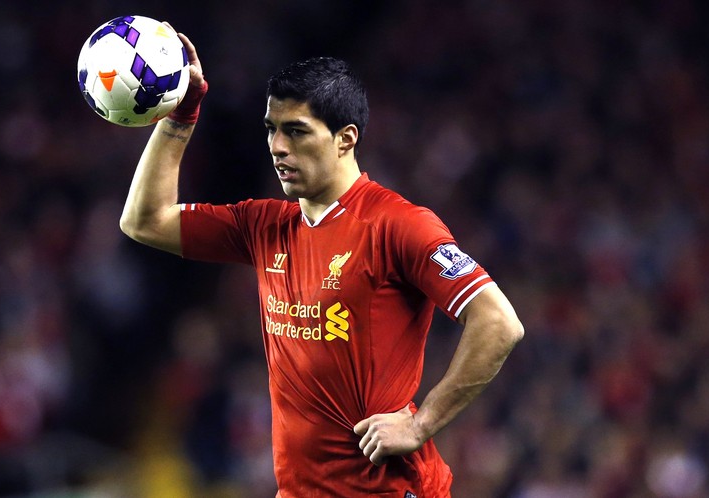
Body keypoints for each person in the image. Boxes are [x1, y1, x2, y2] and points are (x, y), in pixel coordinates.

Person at [120, 24, 524, 498]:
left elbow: (499, 322)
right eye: (271, 129)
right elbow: (145, 221)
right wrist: (181, 117)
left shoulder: (397, 225)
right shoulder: (263, 225)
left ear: (345, 138)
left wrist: (422, 424)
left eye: (296, 131)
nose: (277, 146)